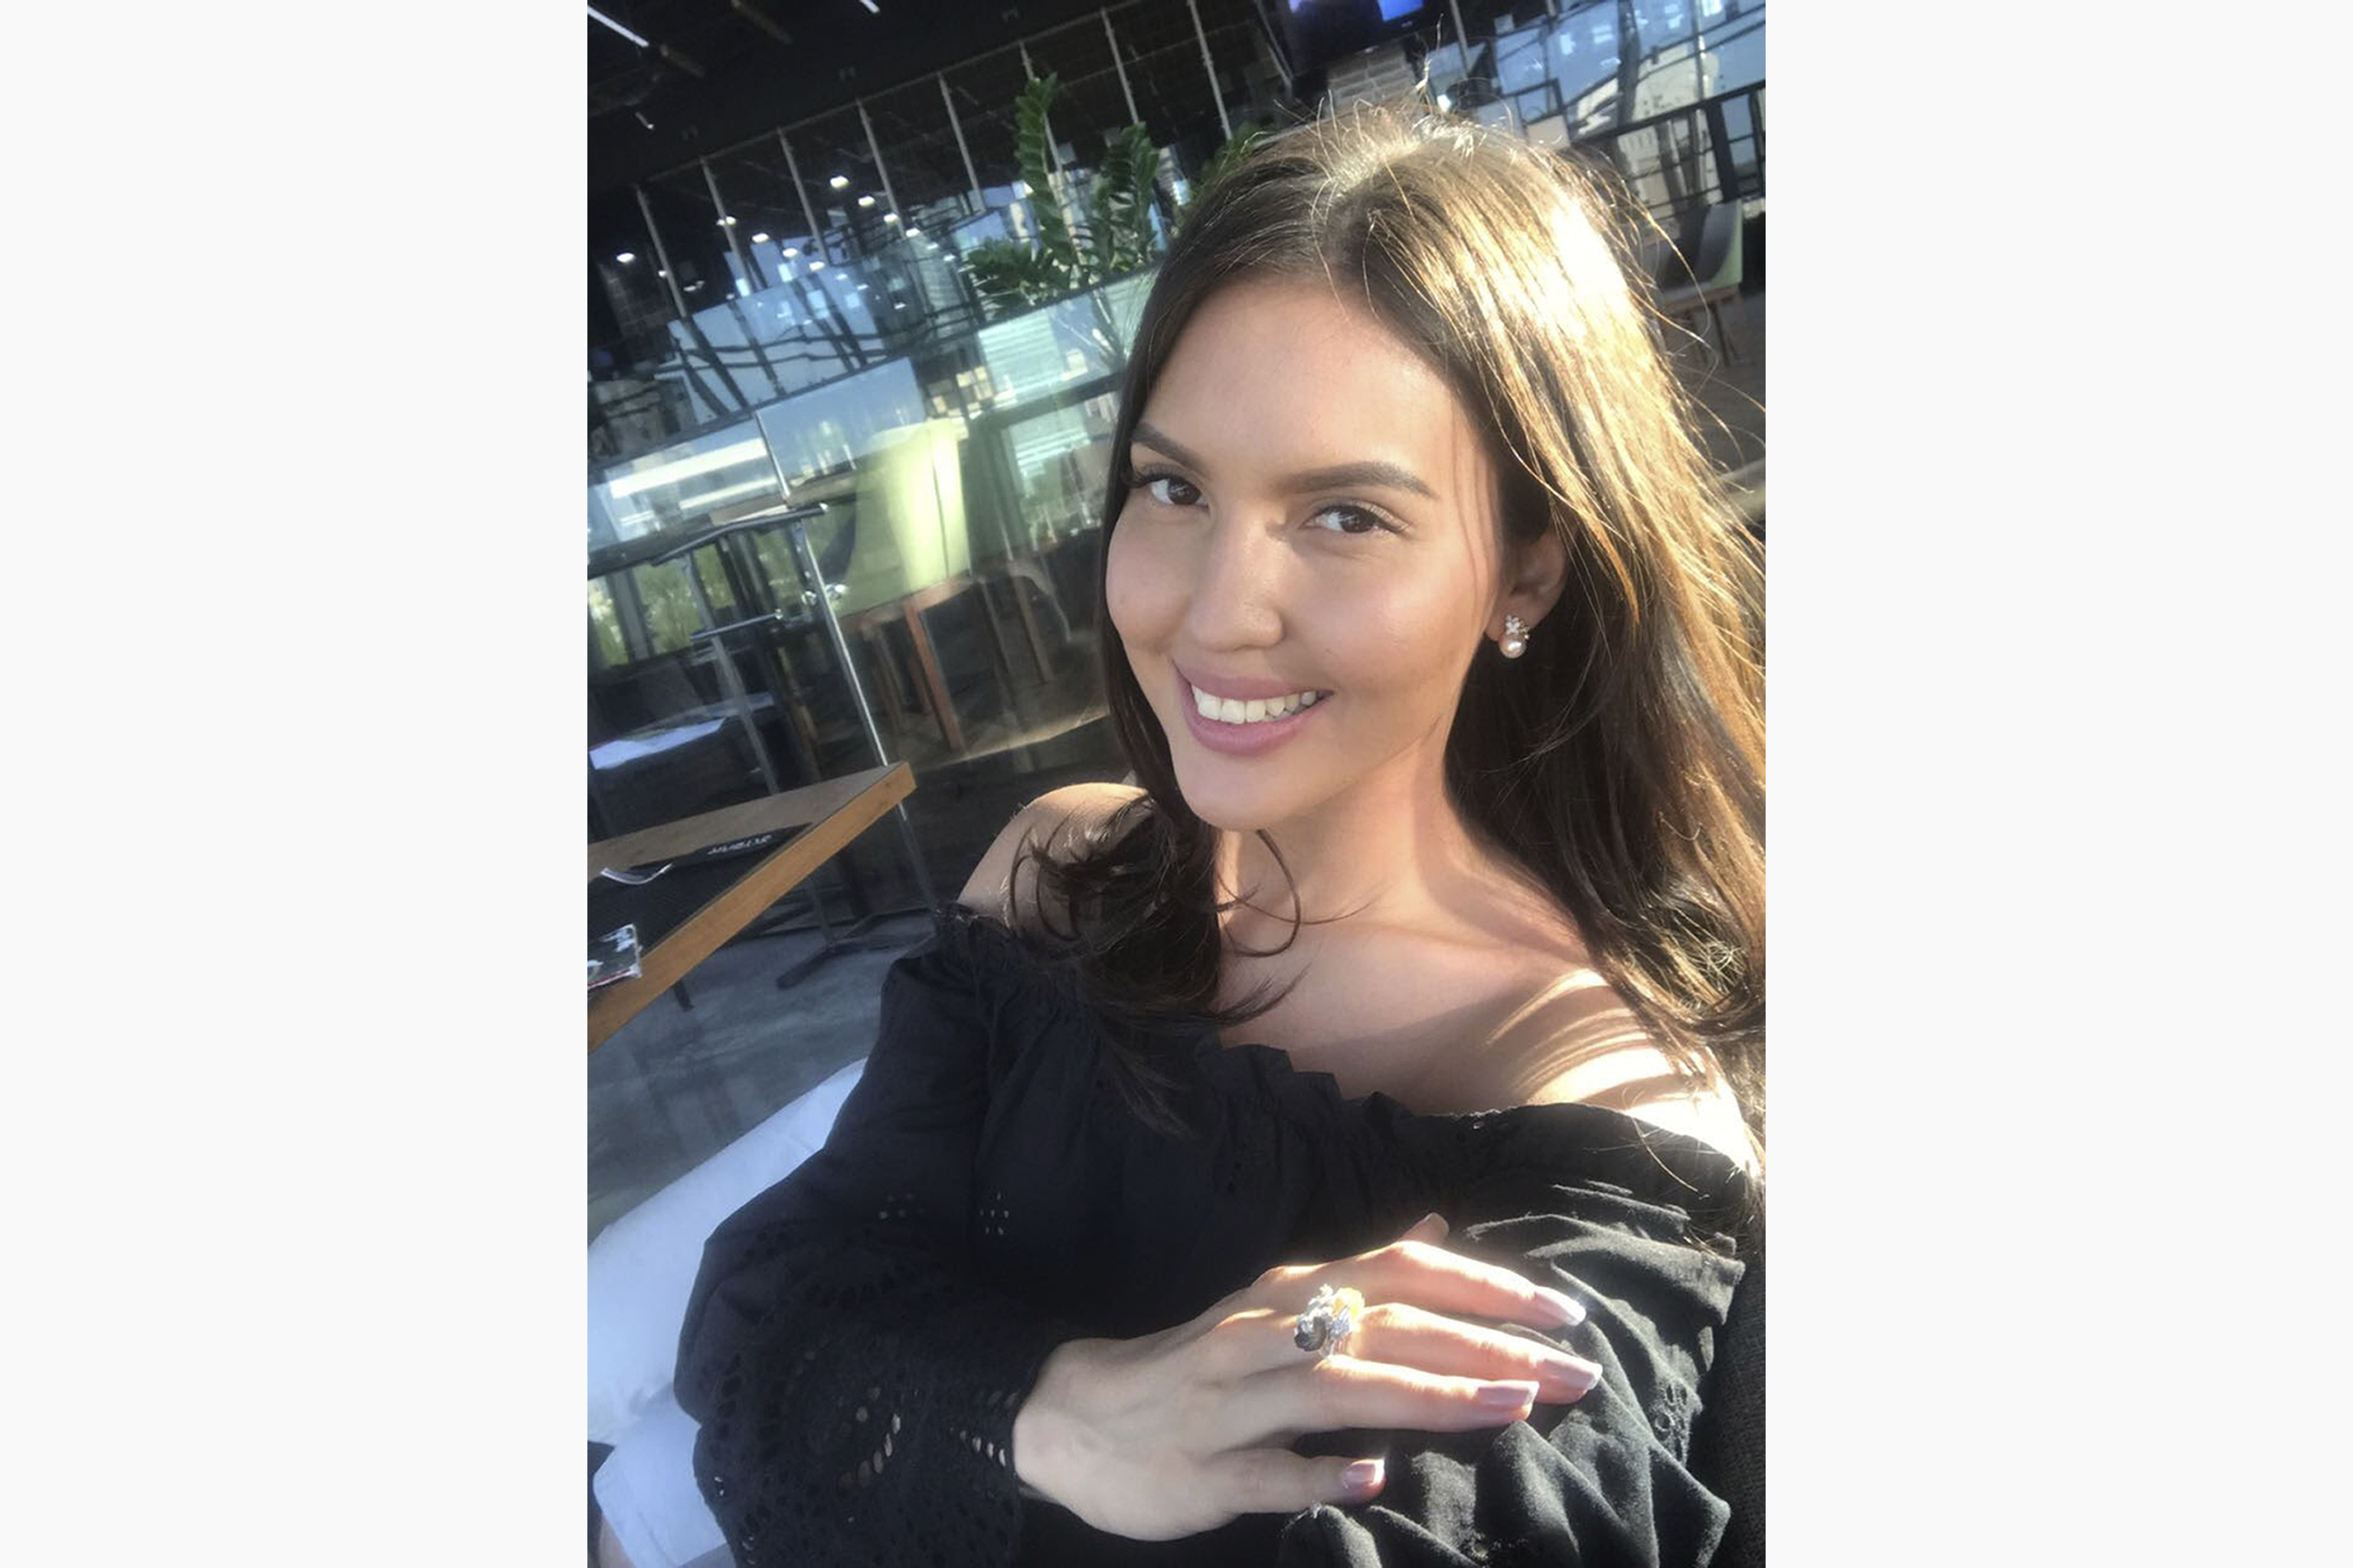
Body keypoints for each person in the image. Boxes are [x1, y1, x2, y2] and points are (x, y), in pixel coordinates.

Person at [671, 105, 1764, 1566]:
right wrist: (1058, 1414)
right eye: (1174, 488)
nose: (1212, 611)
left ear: (1527, 573)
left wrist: (944, 1408)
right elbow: (764, 1309)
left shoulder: (1596, 1098)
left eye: (1345, 516)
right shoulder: (1060, 878)